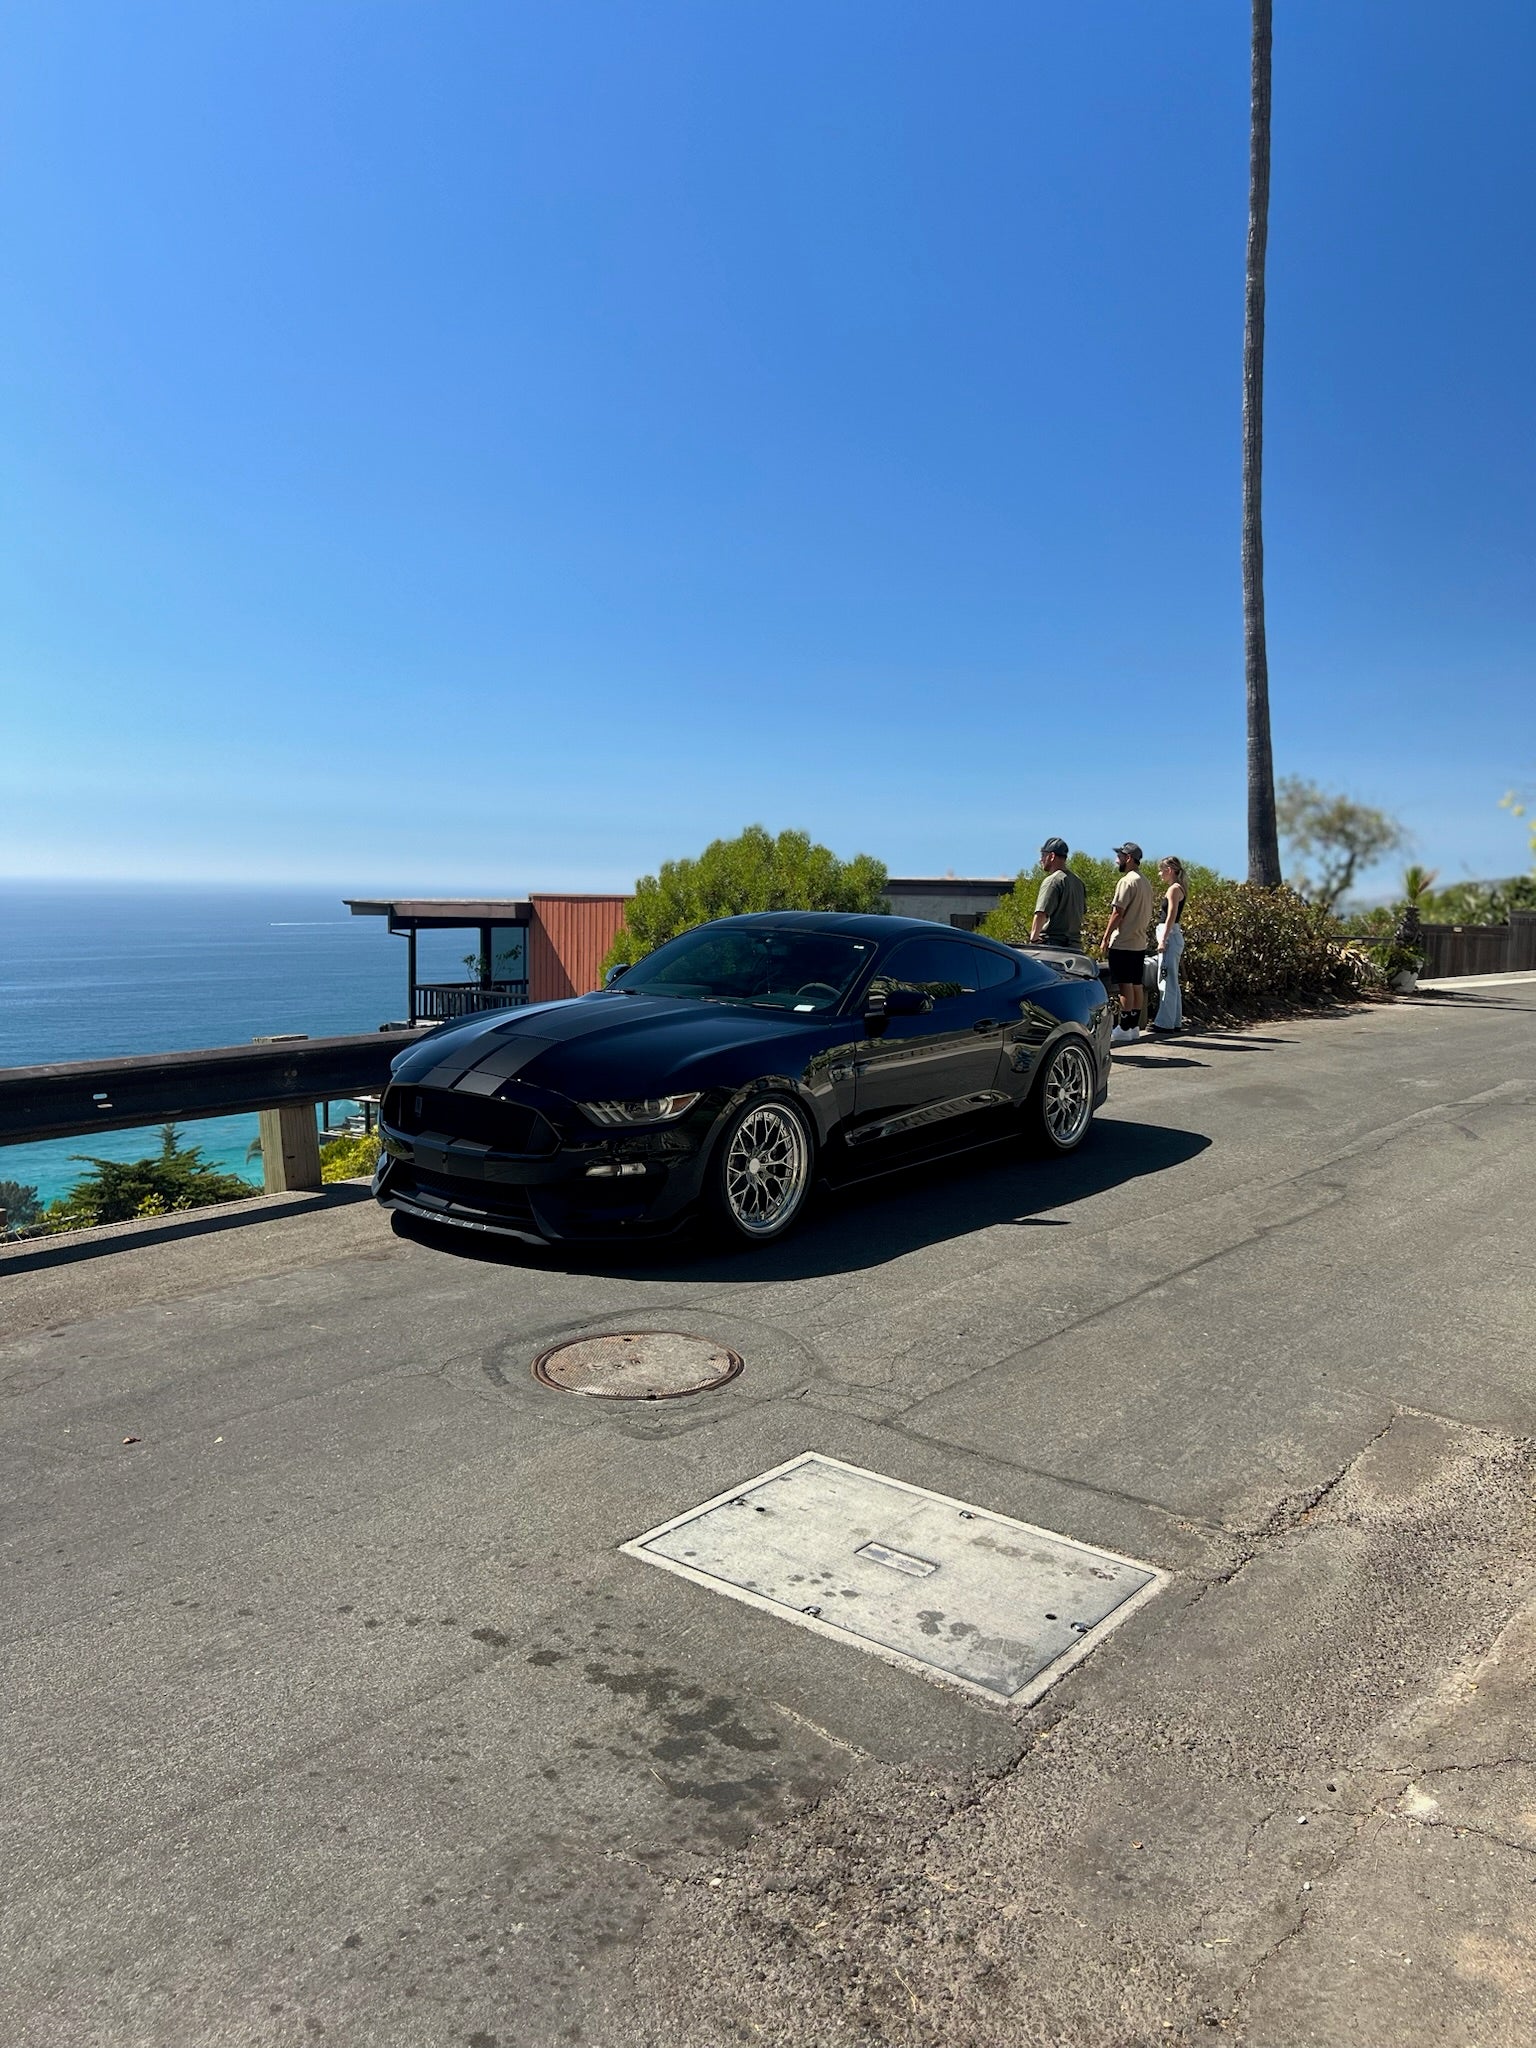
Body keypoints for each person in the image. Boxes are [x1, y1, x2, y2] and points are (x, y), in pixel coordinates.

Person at [1101, 842, 1153, 1047]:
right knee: (1136, 984)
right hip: (1139, 941)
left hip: (1123, 941)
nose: (1117, 860)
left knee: (1124, 986)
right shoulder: (1145, 882)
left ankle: (1123, 1027)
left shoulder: (1126, 882)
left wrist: (1105, 937)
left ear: (1128, 858)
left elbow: (1118, 912)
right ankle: (1133, 1026)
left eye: (1120, 856)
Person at [1149, 856, 1187, 1034]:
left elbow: (1171, 915)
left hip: (1169, 935)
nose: (1159, 874)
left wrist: (1163, 939)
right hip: (1173, 934)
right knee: (1172, 979)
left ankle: (1165, 1023)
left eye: (1161, 870)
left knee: (1165, 979)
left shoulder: (1173, 889)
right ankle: (1175, 1020)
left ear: (1169, 870)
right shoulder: (1179, 888)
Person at [1029, 838, 1087, 950]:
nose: (1040, 859)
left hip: (1053, 947)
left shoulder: (1052, 881)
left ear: (1051, 856)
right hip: (1075, 948)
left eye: (1043, 855)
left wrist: (1033, 939)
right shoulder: (1078, 882)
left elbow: (1041, 914)